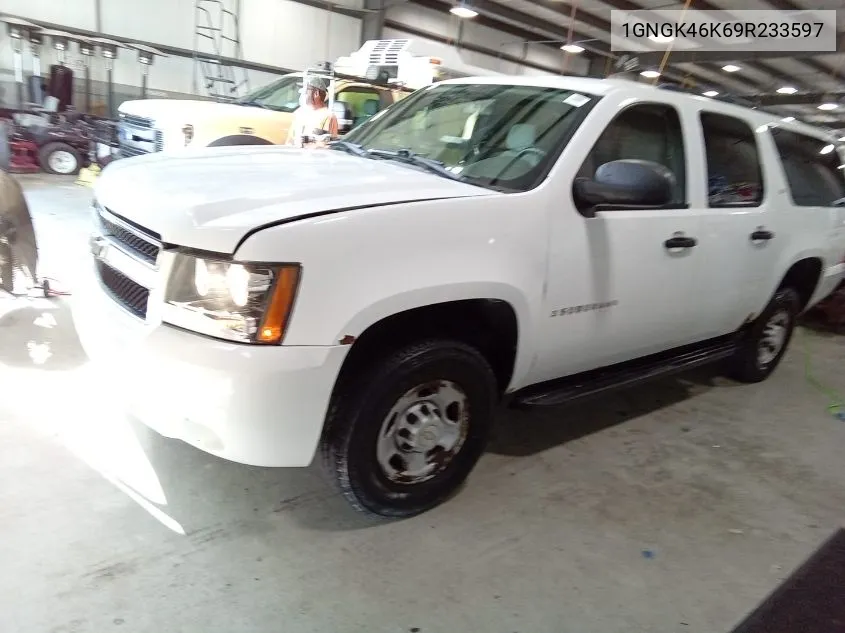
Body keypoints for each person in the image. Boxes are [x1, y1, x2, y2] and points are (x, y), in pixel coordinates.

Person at [286, 76, 339, 148]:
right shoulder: (299, 113)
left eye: (306, 91)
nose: (303, 94)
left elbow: (330, 147)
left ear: (316, 93)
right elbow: (289, 141)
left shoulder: (328, 117)